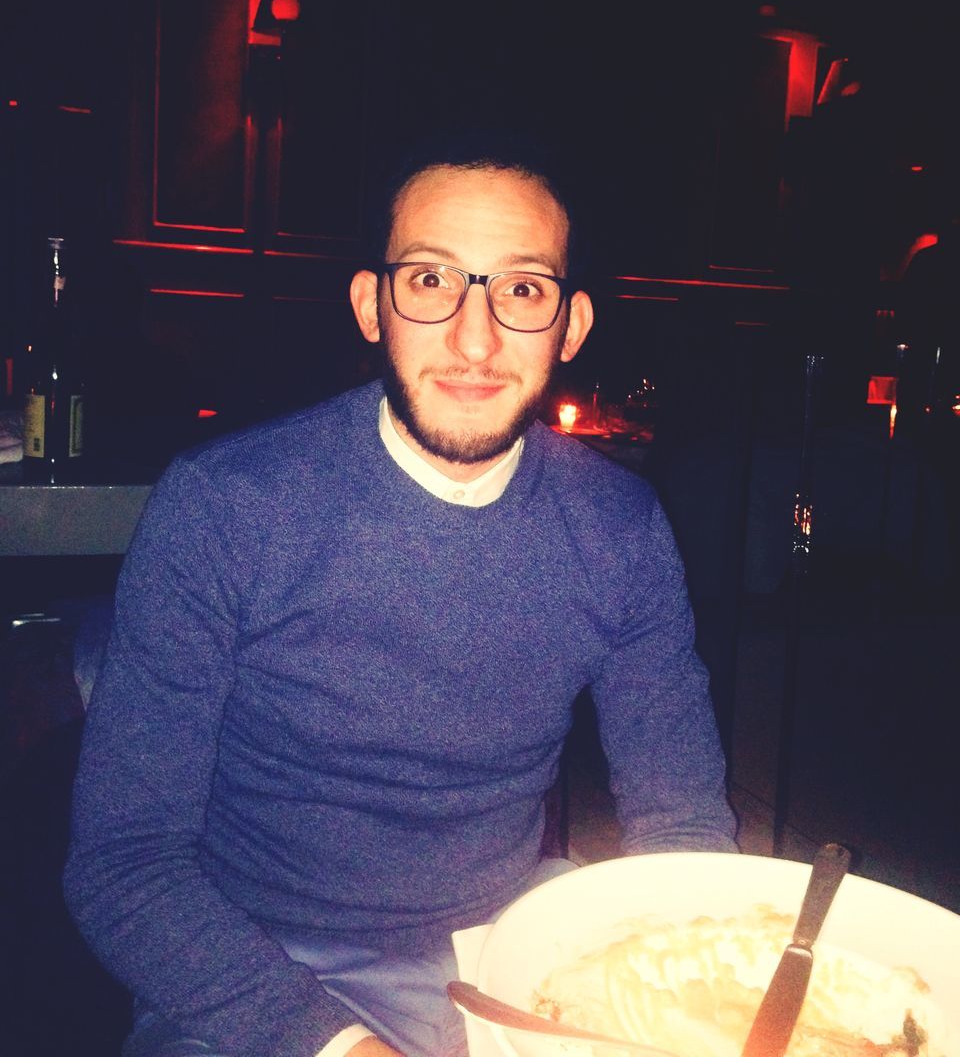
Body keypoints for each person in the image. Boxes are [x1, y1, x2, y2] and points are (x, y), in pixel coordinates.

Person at [64, 136, 737, 1057]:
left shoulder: (619, 527)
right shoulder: (227, 504)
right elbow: (123, 865)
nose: (475, 339)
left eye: (522, 289)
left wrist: (685, 999)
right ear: (371, 306)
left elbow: (684, 825)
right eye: (430, 282)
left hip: (511, 947)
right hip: (255, 970)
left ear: (572, 326)